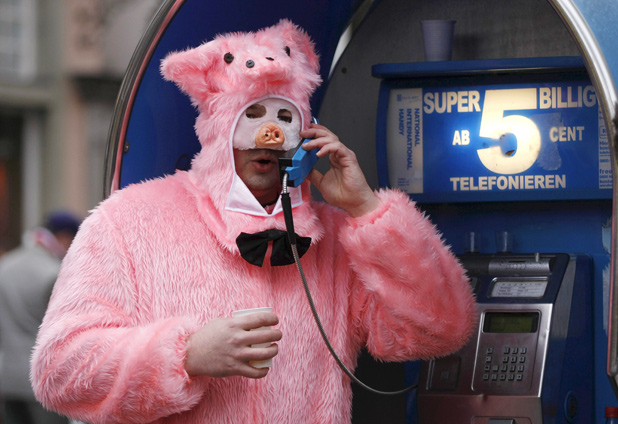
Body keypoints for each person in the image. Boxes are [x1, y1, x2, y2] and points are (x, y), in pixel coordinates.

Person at [30, 20, 476, 423]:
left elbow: (441, 330)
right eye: (252, 116)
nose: (269, 135)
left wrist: (366, 210)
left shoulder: (337, 237)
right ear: (220, 128)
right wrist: (185, 354)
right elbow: (59, 368)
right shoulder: (129, 221)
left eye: (284, 117)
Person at [0, 211, 80, 424]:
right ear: (64, 238)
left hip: (7, 379)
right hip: (42, 381)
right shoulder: (53, 273)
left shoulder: (5, 266)